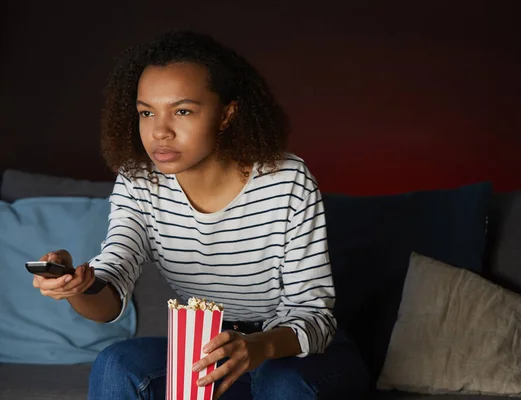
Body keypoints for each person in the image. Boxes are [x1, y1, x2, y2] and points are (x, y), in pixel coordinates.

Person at [32, 29, 369, 400]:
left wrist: (255, 347)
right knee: (117, 364)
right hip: (209, 349)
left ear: (226, 114)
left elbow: (315, 316)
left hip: (293, 351)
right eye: (147, 112)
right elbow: (112, 281)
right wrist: (78, 286)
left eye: (182, 111)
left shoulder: (286, 179)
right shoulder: (138, 180)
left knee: (281, 383)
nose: (160, 131)